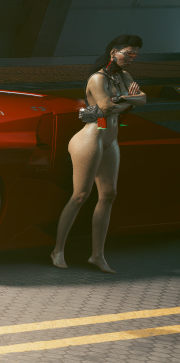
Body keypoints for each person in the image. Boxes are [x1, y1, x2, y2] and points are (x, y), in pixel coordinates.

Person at [50, 34, 146, 274]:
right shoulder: (97, 78)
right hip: (91, 137)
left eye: (135, 54)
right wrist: (129, 99)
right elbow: (106, 107)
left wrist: (125, 99)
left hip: (110, 139)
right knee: (80, 195)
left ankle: (97, 255)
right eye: (128, 53)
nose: (132, 57)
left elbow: (143, 98)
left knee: (109, 194)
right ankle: (57, 250)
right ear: (114, 52)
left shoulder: (123, 76)